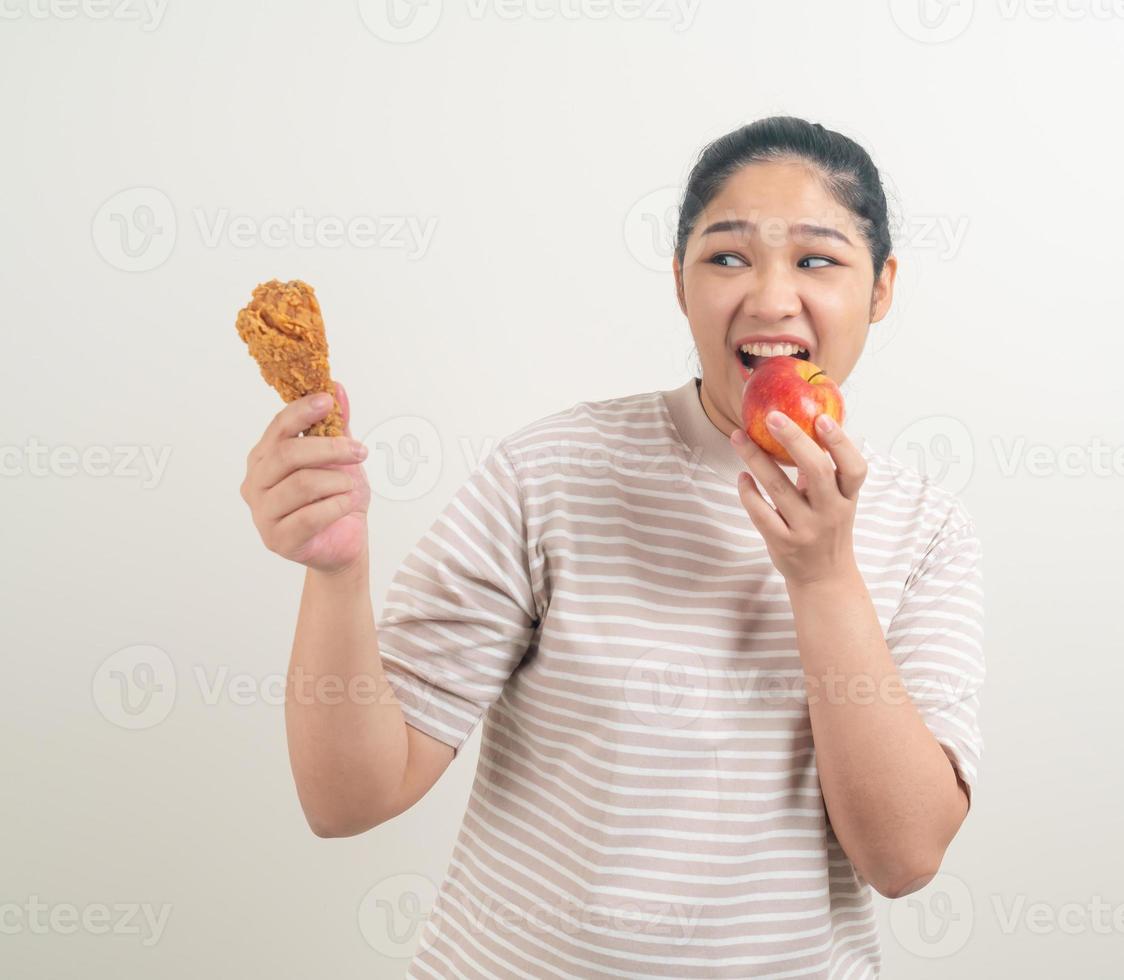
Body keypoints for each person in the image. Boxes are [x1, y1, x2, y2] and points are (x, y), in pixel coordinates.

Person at [239, 115, 984, 978]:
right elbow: (347, 800)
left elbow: (902, 859)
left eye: (818, 260)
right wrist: (337, 571)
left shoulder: (927, 528)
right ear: (679, 281)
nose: (773, 297)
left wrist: (821, 578)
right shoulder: (551, 472)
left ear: (881, 287)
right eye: (727, 257)